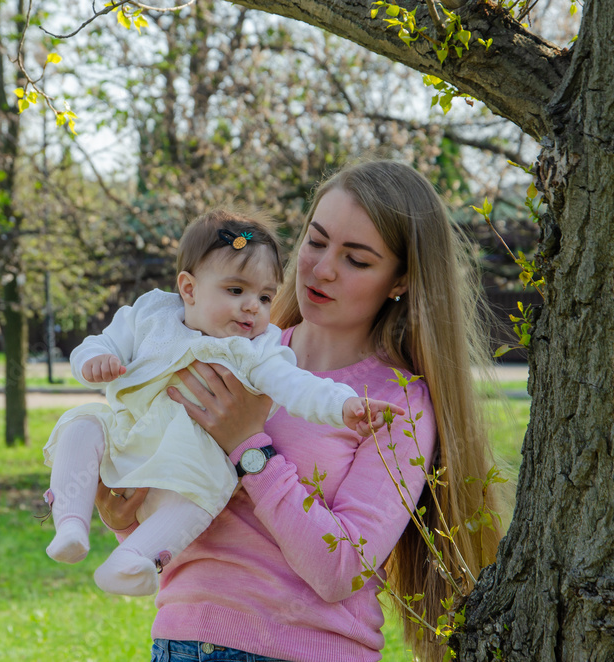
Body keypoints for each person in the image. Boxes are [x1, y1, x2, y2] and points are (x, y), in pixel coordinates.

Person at [95, 160, 504, 662]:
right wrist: (125, 521)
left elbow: (341, 570)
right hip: (181, 641)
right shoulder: (224, 352)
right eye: (316, 241)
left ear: (399, 280)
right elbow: (185, 513)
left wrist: (251, 449)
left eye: (356, 259)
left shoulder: (393, 404)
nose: (322, 268)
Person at [42, 207, 403, 598]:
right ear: (189, 289)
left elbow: (299, 386)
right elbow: (100, 342)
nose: (253, 306)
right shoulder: (152, 313)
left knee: (208, 493)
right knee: (81, 424)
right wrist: (93, 362)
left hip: (190, 469)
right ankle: (70, 524)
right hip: (130, 442)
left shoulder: (258, 350)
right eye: (236, 291)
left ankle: (135, 560)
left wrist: (343, 406)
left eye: (265, 297)